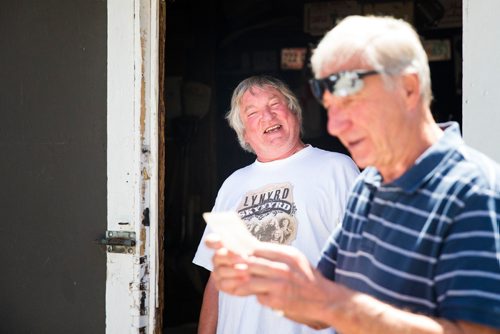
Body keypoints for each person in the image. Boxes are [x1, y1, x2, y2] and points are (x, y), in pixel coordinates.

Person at [207, 16, 500, 334]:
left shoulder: (473, 193)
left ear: (408, 88)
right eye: (331, 107)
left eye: (352, 102)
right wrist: (277, 282)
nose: (334, 127)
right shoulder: (369, 186)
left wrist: (332, 304)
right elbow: (320, 308)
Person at [193, 75, 360, 333]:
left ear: (294, 112)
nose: (268, 116)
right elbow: (217, 277)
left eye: (274, 104)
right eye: (253, 112)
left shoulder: (336, 168)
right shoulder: (233, 184)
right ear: (244, 134)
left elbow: (361, 263)